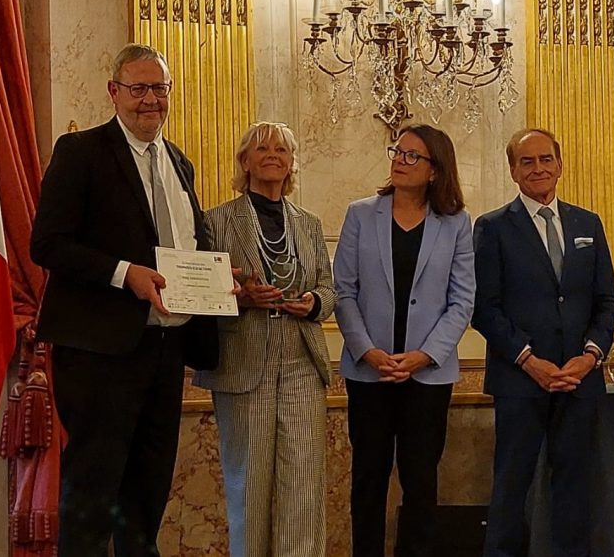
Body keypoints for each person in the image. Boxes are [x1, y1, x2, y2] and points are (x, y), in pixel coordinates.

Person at [30, 43, 220, 556]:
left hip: (166, 350)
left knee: (148, 491)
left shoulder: (179, 162)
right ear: (114, 92)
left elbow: (192, 246)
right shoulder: (82, 152)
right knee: (94, 490)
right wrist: (124, 274)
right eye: (138, 88)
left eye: (159, 88)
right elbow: (46, 244)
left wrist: (224, 280)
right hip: (99, 353)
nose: (150, 100)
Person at [473, 128, 614, 557]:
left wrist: (590, 356)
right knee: (510, 488)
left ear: (559, 163)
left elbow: (607, 300)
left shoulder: (587, 223)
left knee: (574, 489)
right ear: (513, 171)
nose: (538, 169)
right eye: (527, 162)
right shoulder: (494, 227)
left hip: (579, 382)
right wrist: (528, 359)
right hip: (520, 381)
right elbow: (484, 307)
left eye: (545, 159)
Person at [333, 124, 476, 557]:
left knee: (420, 481)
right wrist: (368, 351)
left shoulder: (455, 223)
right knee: (368, 478)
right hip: (368, 372)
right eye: (398, 151)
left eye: (413, 155)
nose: (399, 159)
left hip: (426, 376)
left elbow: (462, 299)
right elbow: (343, 291)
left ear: (435, 170)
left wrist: (423, 355)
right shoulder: (361, 213)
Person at [193, 121, 334, 557]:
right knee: (248, 484)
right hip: (243, 363)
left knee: (303, 486)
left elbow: (330, 291)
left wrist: (311, 302)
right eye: (262, 149)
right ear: (245, 161)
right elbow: (200, 292)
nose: (272, 155)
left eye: (281, 150)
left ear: (291, 164)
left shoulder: (308, 224)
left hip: (301, 365)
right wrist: (243, 298)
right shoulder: (215, 222)